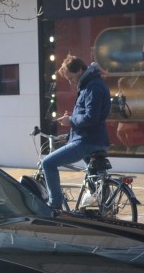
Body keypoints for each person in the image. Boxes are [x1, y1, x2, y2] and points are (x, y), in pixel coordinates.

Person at [41, 55, 110, 212]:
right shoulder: (91, 84)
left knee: (48, 163)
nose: (71, 82)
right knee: (93, 179)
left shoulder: (92, 87)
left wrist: (70, 120)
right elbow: (89, 116)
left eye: (71, 77)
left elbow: (91, 118)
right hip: (92, 138)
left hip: (87, 141)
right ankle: (101, 207)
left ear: (79, 70)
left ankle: (54, 204)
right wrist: (69, 132)